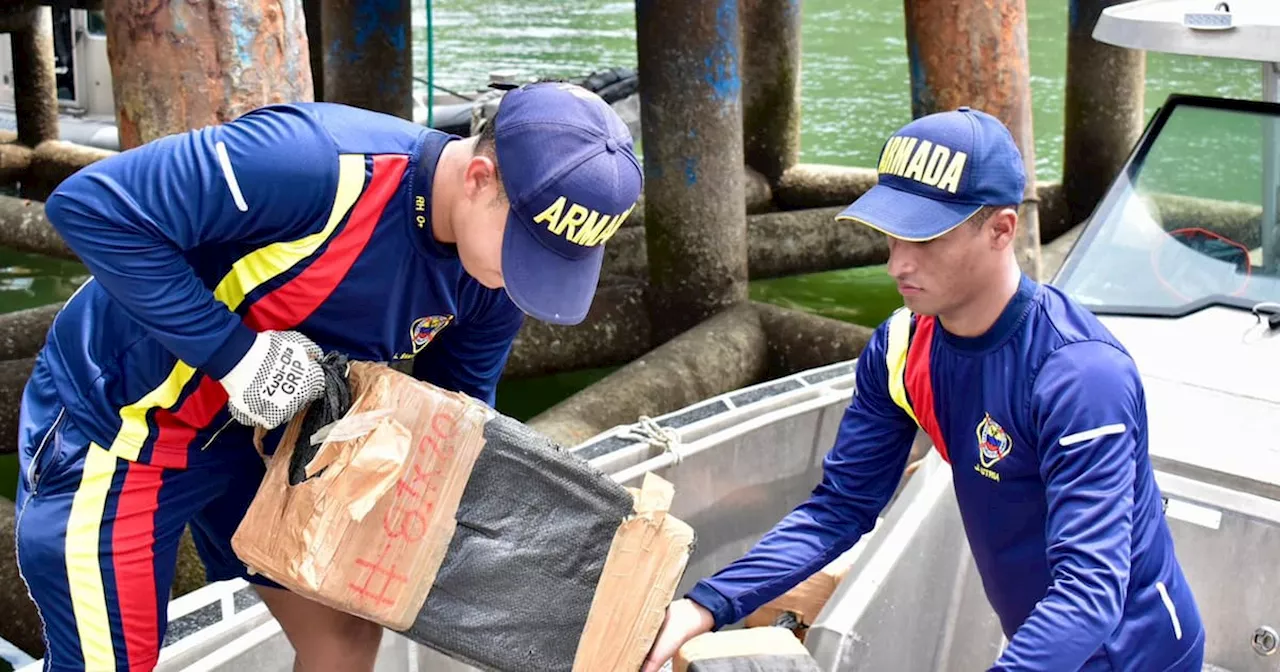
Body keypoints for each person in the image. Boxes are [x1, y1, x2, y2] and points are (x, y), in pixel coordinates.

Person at [13, 81, 641, 672]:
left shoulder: (494, 283)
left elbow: (456, 415)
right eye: (527, 252)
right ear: (480, 178)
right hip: (123, 427)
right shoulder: (314, 163)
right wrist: (237, 357)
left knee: (344, 638)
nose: (526, 279)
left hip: (272, 442)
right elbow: (91, 206)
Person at [642, 107, 1205, 671]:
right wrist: (705, 604)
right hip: (1037, 641)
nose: (897, 263)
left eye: (924, 237)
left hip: (1139, 652)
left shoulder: (1080, 376)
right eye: (891, 233)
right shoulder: (902, 347)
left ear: (1001, 229)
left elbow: (1088, 590)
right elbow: (841, 506)